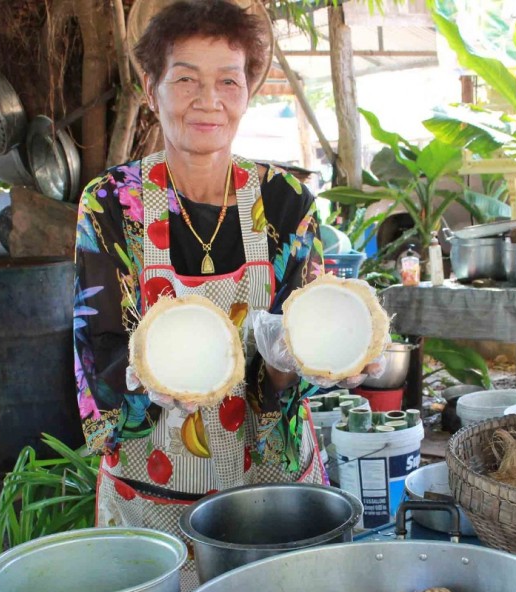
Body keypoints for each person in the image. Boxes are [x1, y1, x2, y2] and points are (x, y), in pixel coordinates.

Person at [73, 0, 379, 533]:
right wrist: (145, 377)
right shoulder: (112, 203)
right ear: (152, 90)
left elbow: (294, 352)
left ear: (247, 93)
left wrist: (309, 355)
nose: (208, 101)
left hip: (273, 485)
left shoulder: (286, 201)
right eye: (186, 79)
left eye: (229, 82)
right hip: (155, 492)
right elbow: (95, 350)